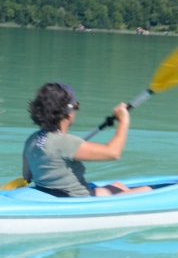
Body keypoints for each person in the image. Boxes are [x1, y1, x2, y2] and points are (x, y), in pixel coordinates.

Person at [23, 82, 151, 197]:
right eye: (76, 106)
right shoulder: (66, 142)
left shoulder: (32, 140)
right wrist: (124, 120)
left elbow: (27, 176)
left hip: (56, 196)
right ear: (69, 112)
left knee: (118, 185)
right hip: (78, 200)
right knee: (147, 190)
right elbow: (113, 153)